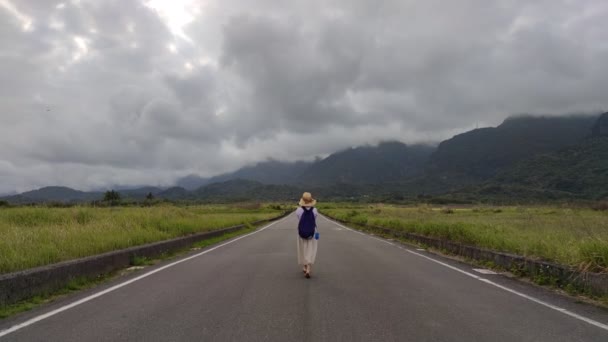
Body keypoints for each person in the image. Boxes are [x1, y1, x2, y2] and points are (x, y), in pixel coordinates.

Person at [296, 192, 318, 278]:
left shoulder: (298, 210)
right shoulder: (315, 210)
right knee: (310, 249)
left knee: (302, 249)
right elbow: (314, 220)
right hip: (312, 232)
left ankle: (304, 267)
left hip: (301, 232)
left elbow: (299, 220)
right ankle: (308, 268)